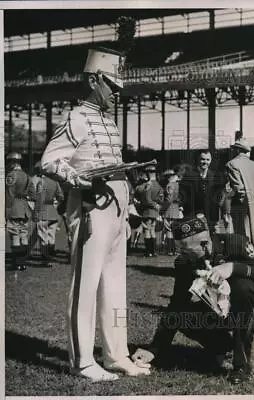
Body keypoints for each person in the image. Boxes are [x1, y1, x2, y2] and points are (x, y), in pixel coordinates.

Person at [41, 47, 151, 382]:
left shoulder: (108, 121)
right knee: (85, 285)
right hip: (90, 208)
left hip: (115, 210)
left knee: (116, 285)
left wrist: (127, 207)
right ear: (93, 80)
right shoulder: (75, 117)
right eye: (110, 86)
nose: (117, 93)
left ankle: (116, 355)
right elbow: (48, 161)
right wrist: (80, 179)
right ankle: (83, 360)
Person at [131, 215, 254, 384]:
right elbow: (177, 304)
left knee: (243, 287)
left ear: (205, 244)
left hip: (253, 305)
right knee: (182, 316)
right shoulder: (183, 263)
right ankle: (222, 345)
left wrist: (234, 268)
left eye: (187, 251)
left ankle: (241, 364)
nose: (183, 256)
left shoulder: (235, 243)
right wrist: (154, 349)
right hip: (217, 308)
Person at [225, 138, 254, 257]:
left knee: (243, 239)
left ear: (236, 150)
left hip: (242, 207)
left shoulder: (232, 164)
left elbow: (239, 189)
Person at [5, 152, 36, 271]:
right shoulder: (27, 176)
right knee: (23, 235)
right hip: (25, 209)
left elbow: (9, 195)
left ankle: (16, 263)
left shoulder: (11, 176)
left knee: (15, 236)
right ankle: (22, 263)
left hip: (14, 209)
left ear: (12, 162)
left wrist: (5, 213)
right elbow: (33, 194)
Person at [31, 161, 64, 267]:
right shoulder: (55, 182)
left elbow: (40, 199)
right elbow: (61, 197)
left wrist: (36, 212)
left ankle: (45, 260)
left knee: (43, 237)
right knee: (51, 237)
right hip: (53, 212)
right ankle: (49, 258)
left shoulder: (41, 182)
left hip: (43, 211)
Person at [179, 150, 218, 233]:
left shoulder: (213, 176)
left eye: (208, 160)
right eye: (202, 159)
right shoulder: (189, 175)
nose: (205, 162)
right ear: (198, 160)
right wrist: (181, 207)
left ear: (211, 161)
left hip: (210, 215)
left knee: (210, 239)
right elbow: (182, 193)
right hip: (192, 212)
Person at [134, 164, 164, 257]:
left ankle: (148, 252)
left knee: (147, 230)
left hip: (147, 209)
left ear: (148, 173)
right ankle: (153, 251)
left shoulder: (147, 185)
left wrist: (153, 204)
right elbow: (161, 199)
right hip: (155, 210)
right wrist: (157, 205)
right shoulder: (158, 185)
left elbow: (147, 200)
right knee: (152, 230)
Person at [161, 169, 181, 255]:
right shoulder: (178, 185)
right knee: (175, 231)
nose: (166, 178)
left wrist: (162, 210)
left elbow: (169, 200)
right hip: (176, 209)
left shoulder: (169, 185)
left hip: (169, 210)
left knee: (169, 230)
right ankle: (176, 250)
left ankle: (170, 250)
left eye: (167, 177)